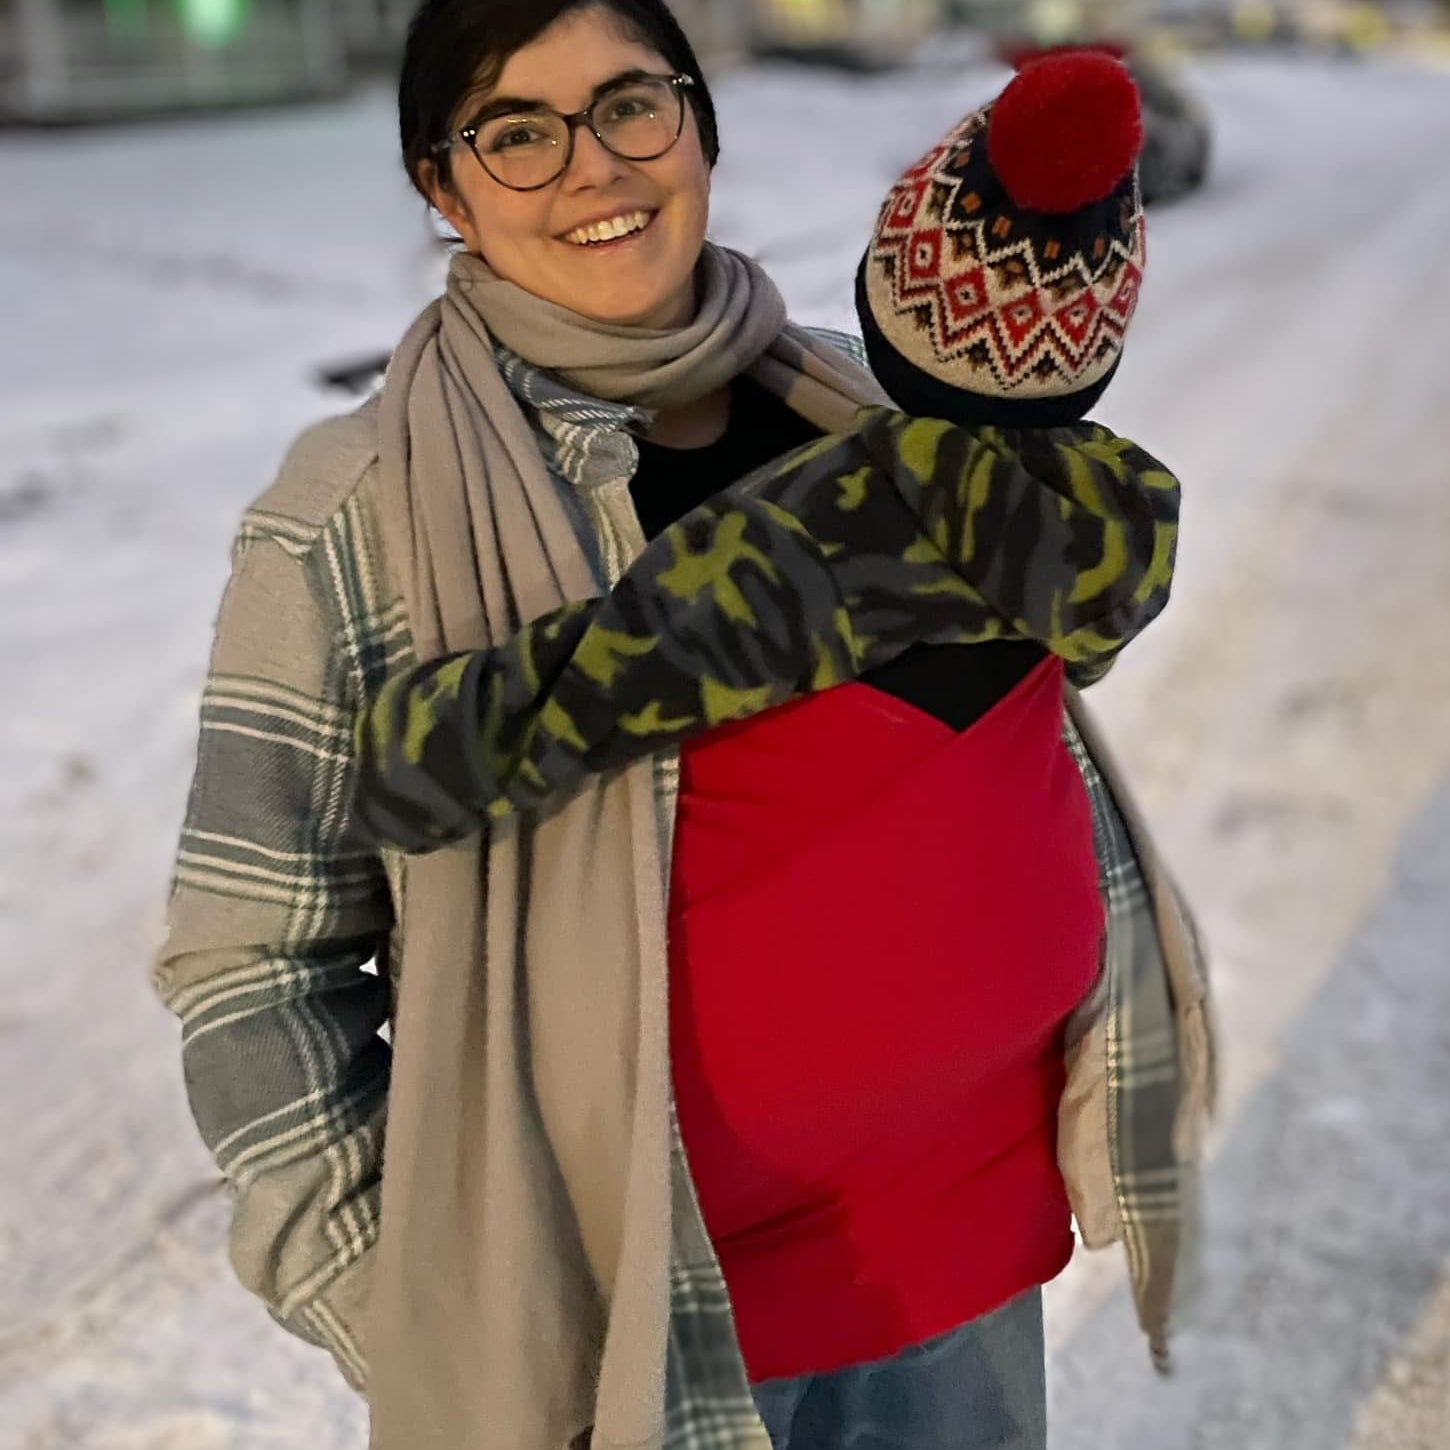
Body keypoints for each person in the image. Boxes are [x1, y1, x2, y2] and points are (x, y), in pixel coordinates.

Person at [151, 7, 1216, 1450]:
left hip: (963, 1263)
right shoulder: (355, 522)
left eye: (629, 106)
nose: (589, 166)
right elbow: (253, 962)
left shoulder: (864, 401)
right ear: (441, 187)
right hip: (645, 1336)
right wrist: (418, 1316)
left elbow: (1037, 707)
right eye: (515, 131)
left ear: (700, 126)